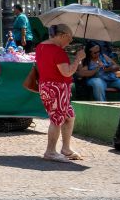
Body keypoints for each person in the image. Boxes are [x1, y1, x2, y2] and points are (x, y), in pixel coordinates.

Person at [35, 24, 85, 162]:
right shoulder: (58, 52)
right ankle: (50, 151)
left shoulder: (40, 47)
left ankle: (66, 148)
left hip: (47, 86)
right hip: (57, 88)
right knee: (57, 119)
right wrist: (78, 59)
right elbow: (67, 72)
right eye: (69, 39)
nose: (69, 42)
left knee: (69, 116)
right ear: (62, 35)